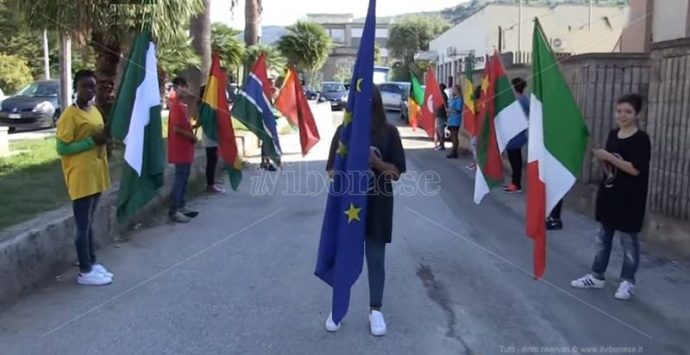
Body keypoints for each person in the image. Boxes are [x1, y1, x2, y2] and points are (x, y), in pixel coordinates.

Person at [324, 86, 406, 336]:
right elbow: (331, 171)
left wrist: (376, 162)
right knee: (345, 257)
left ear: (376, 103)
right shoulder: (343, 132)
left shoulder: (389, 133)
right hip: (349, 207)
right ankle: (338, 308)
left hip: (378, 204)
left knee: (376, 259)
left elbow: (396, 174)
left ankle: (376, 310)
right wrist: (351, 165)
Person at [570, 94, 651, 301]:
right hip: (609, 195)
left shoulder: (641, 139)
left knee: (628, 243)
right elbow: (611, 168)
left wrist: (607, 156)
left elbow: (635, 170)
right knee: (602, 240)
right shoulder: (613, 134)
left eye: (628, 112)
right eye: (619, 111)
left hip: (630, 199)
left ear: (637, 114)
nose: (622, 115)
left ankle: (627, 281)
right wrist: (602, 159)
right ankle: (597, 275)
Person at [56, 69, 113, 286]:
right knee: (82, 225)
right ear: (76, 89)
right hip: (80, 175)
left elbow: (99, 135)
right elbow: (62, 147)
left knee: (90, 223)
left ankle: (92, 261)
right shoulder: (70, 115)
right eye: (85, 86)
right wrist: (92, 142)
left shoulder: (95, 111)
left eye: (92, 86)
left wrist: (105, 140)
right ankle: (84, 270)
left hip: (96, 173)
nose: (90, 90)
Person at [168, 77, 199, 223]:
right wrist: (191, 137)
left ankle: (182, 205)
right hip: (180, 149)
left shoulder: (183, 106)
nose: (185, 89)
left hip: (186, 149)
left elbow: (185, 125)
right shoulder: (175, 106)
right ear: (176, 88)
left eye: (185, 86)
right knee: (180, 179)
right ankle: (174, 209)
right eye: (182, 87)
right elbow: (176, 129)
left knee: (184, 178)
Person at [197, 85, 226, 194]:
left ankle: (211, 182)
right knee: (211, 161)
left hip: (211, 135)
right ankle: (210, 185)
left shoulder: (206, 105)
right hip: (210, 136)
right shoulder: (207, 105)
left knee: (213, 160)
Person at [504, 77, 529, 193]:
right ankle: (514, 182)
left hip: (515, 135)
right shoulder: (524, 99)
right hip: (517, 134)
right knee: (515, 159)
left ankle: (516, 184)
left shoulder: (518, 101)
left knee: (515, 160)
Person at [446, 84, 463, 159]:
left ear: (457, 90)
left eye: (454, 89)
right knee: (452, 136)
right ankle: (453, 150)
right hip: (451, 120)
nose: (453, 90)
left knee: (454, 136)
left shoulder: (459, 99)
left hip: (455, 120)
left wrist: (450, 110)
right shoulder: (453, 98)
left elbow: (458, 110)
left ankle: (454, 152)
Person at [434, 83, 449, 151]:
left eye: (439, 87)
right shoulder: (441, 95)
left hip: (441, 115)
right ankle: (440, 144)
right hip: (439, 115)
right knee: (440, 131)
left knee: (441, 131)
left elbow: (443, 105)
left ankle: (442, 145)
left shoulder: (443, 95)